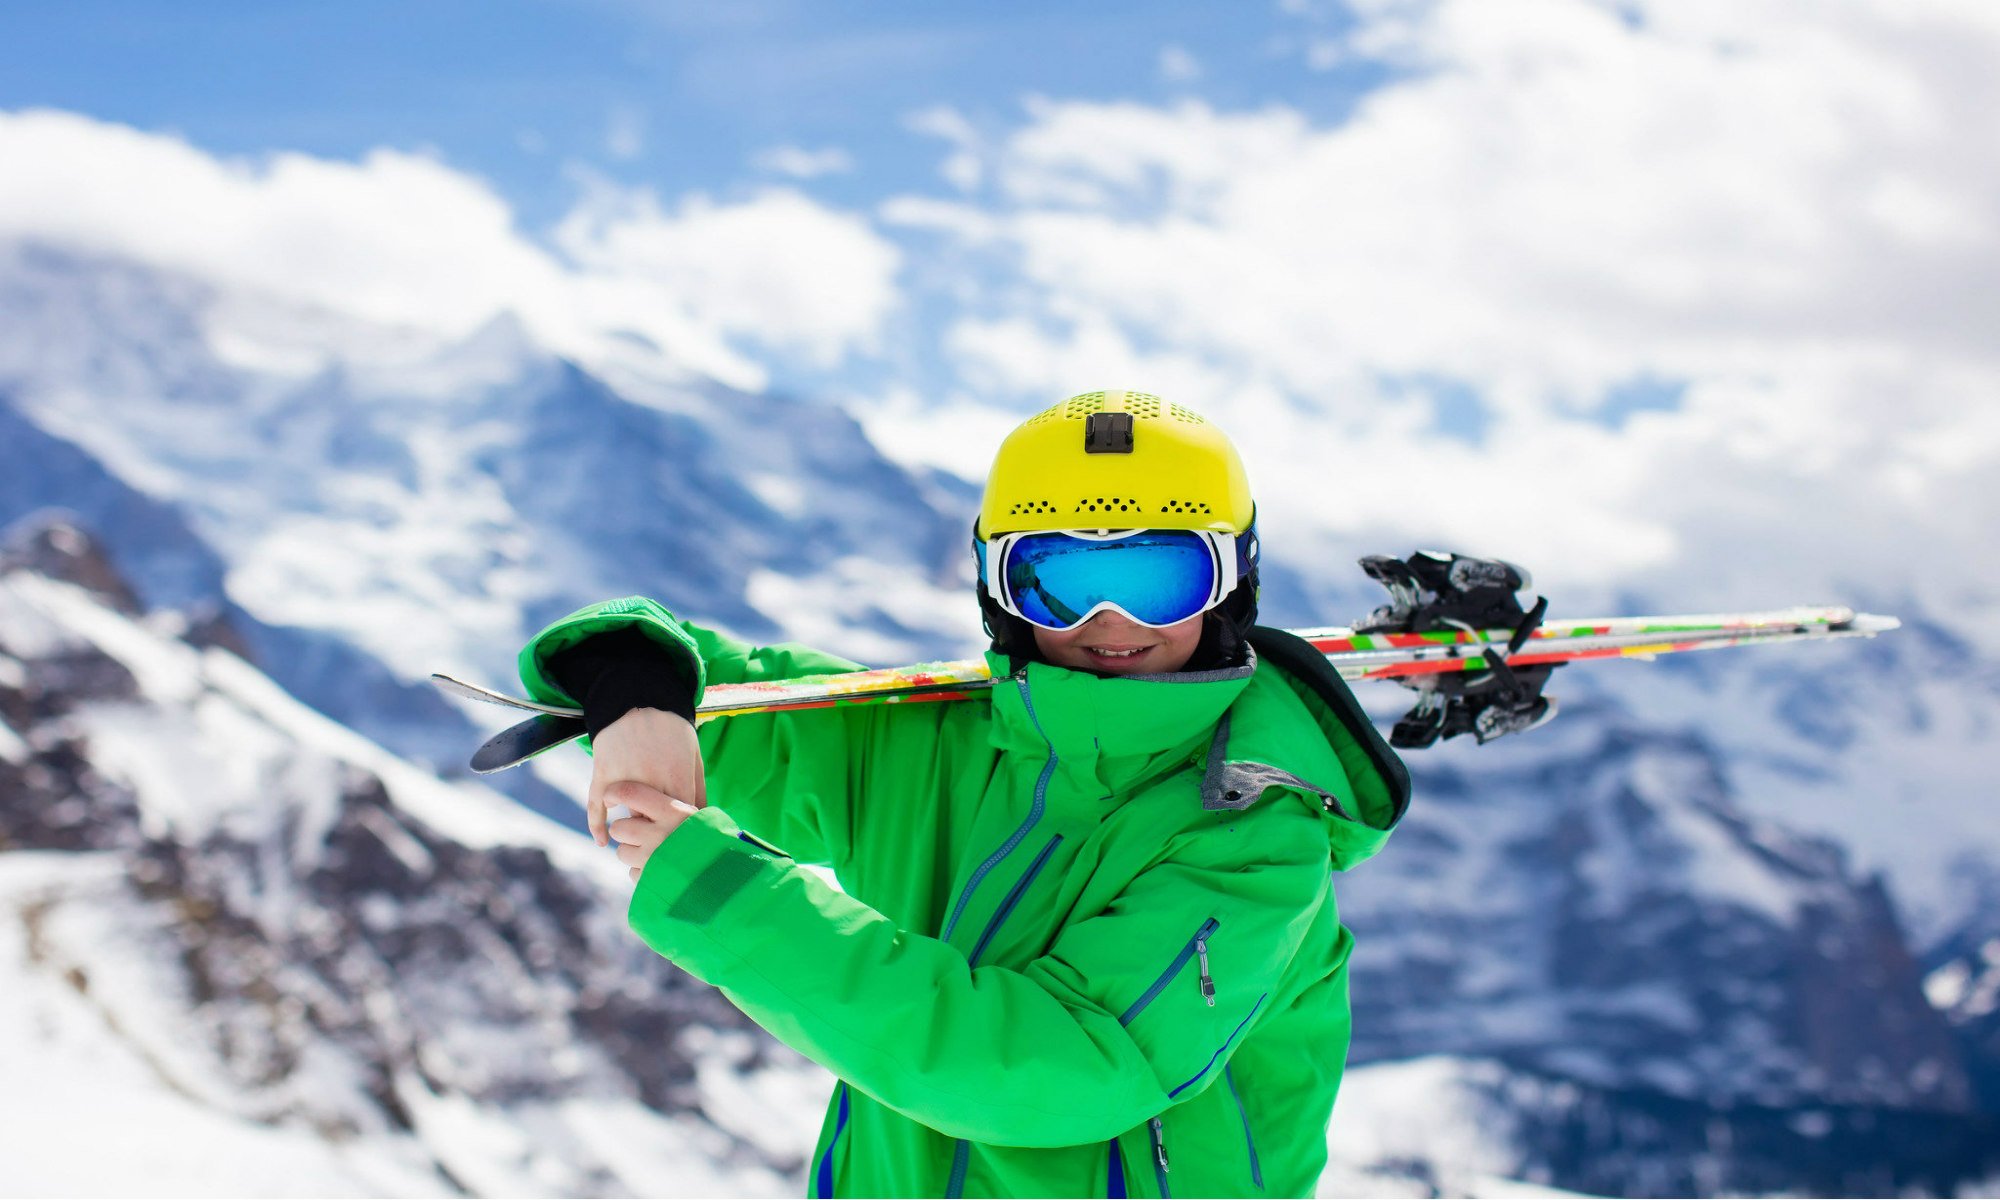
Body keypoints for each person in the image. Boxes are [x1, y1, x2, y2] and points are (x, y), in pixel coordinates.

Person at [516, 390, 1409, 1197]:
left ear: (1232, 583)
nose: (1110, 621)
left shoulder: (1257, 840)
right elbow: (738, 701)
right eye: (1054, 580)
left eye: (1158, 576)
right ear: (998, 588)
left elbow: (1057, 1069)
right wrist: (635, 683)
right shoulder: (938, 743)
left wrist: (733, 900)